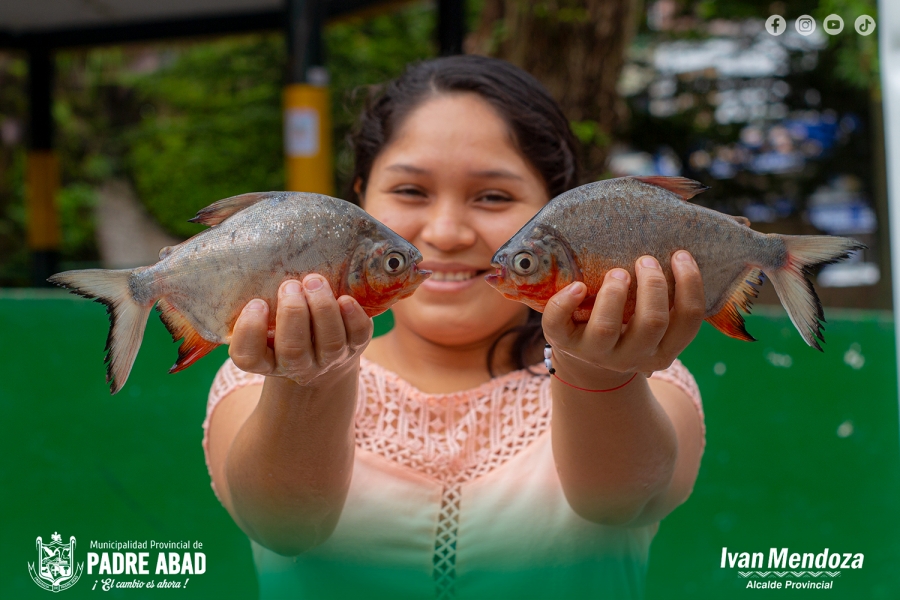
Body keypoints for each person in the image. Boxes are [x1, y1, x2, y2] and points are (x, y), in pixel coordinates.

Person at [203, 55, 706, 599]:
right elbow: (286, 527)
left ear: (561, 215)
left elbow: (617, 502)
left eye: (493, 196)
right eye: (411, 192)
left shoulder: (645, 369)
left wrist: (598, 369)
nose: (445, 233)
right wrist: (309, 381)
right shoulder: (259, 372)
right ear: (356, 204)